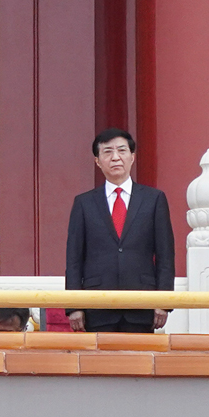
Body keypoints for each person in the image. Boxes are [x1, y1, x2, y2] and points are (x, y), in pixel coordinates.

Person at [63, 128, 174, 333]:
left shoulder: (154, 199)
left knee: (139, 363)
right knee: (99, 365)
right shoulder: (84, 203)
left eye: (121, 151)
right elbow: (74, 258)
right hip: (97, 306)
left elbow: (165, 255)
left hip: (142, 304)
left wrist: (164, 300)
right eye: (107, 152)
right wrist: (74, 305)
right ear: (97, 161)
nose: (115, 157)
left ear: (132, 157)